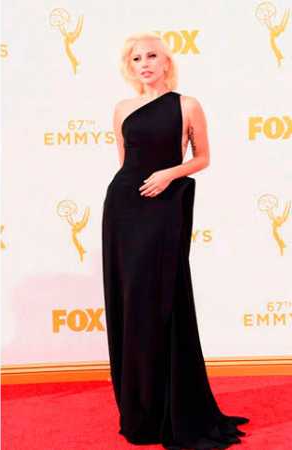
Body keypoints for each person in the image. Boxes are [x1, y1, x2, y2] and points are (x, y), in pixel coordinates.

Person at [101, 32, 248, 449]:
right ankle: (141, 409)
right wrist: (136, 190)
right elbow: (125, 163)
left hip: (164, 208)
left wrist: (170, 173)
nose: (145, 63)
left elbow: (203, 157)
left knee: (161, 295)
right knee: (130, 300)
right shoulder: (122, 108)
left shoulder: (187, 105)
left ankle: (172, 403)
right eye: (136, 59)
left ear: (166, 61)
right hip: (123, 209)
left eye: (152, 56)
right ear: (129, 67)